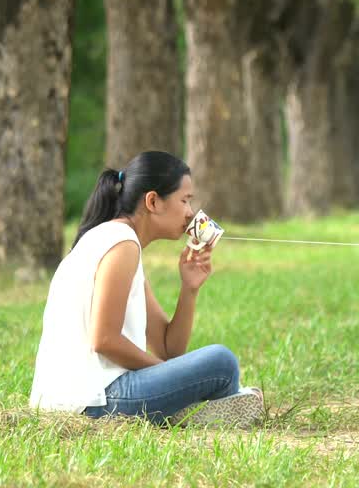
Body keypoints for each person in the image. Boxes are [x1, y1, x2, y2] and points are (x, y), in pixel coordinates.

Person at [29, 151, 263, 427]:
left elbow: (168, 349)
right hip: (92, 400)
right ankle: (191, 411)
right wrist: (170, 376)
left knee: (215, 364)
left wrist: (189, 288)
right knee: (221, 363)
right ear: (153, 201)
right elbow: (103, 340)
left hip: (81, 397)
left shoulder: (119, 241)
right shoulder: (121, 245)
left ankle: (190, 410)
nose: (190, 212)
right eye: (184, 200)